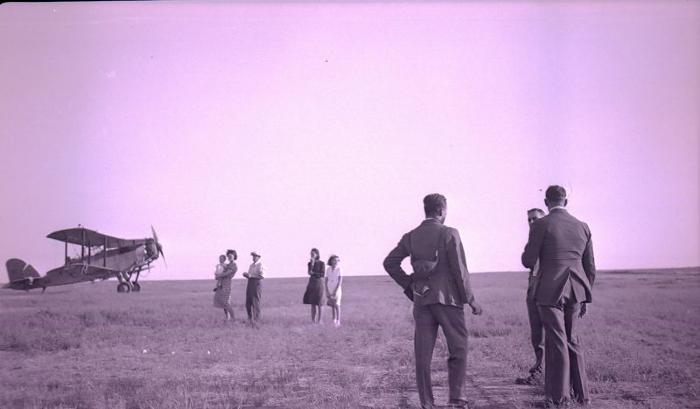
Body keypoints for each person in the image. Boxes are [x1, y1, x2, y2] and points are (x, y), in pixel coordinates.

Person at [383, 193, 483, 409]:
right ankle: (456, 399)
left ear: (426, 210)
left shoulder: (411, 236)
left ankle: (426, 403)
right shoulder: (450, 233)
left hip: (422, 300)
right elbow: (460, 270)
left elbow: (389, 262)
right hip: (449, 300)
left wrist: (409, 285)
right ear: (441, 211)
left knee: (422, 354)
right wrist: (471, 300)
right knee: (458, 348)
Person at [521, 185, 596, 407]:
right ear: (566, 201)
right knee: (572, 339)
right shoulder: (583, 226)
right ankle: (582, 397)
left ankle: (557, 398)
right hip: (576, 289)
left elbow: (527, 261)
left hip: (550, 290)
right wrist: (585, 296)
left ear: (546, 202)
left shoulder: (541, 224)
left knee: (556, 341)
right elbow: (590, 266)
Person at [516, 208, 546, 385]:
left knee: (550, 334)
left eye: (535, 219)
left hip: (547, 288)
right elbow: (527, 261)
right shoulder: (532, 239)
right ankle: (539, 371)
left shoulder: (549, 236)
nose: (532, 222)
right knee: (537, 334)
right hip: (534, 285)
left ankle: (546, 374)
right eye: (529, 220)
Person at [303, 248, 326, 323]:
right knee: (313, 303)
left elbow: (322, 274)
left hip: (319, 283)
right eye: (311, 254)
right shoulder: (310, 263)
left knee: (320, 303)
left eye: (313, 254)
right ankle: (313, 320)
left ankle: (320, 320)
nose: (312, 255)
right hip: (312, 283)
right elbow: (309, 273)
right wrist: (312, 264)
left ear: (317, 254)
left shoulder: (322, 263)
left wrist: (314, 274)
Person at [244, 251, 264, 327]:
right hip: (250, 282)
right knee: (248, 302)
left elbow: (262, 276)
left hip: (257, 283)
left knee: (255, 301)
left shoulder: (261, 265)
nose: (253, 257)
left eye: (255, 256)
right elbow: (250, 275)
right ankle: (249, 318)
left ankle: (256, 320)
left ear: (259, 256)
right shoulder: (251, 265)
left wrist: (251, 276)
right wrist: (247, 275)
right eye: (253, 256)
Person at [213, 254, 236, 321]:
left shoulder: (231, 266)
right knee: (223, 303)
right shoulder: (224, 265)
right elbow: (217, 275)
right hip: (221, 284)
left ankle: (233, 318)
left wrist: (219, 276)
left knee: (226, 302)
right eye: (229, 256)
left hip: (226, 285)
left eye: (231, 256)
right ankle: (227, 317)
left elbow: (226, 274)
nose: (220, 260)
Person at [325, 255, 343, 327]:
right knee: (332, 304)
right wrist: (326, 290)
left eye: (337, 260)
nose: (336, 262)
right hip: (330, 287)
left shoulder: (339, 269)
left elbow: (340, 281)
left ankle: (338, 321)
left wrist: (335, 291)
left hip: (337, 288)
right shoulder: (328, 269)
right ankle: (334, 320)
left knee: (337, 304)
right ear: (331, 261)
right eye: (334, 260)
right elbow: (326, 280)